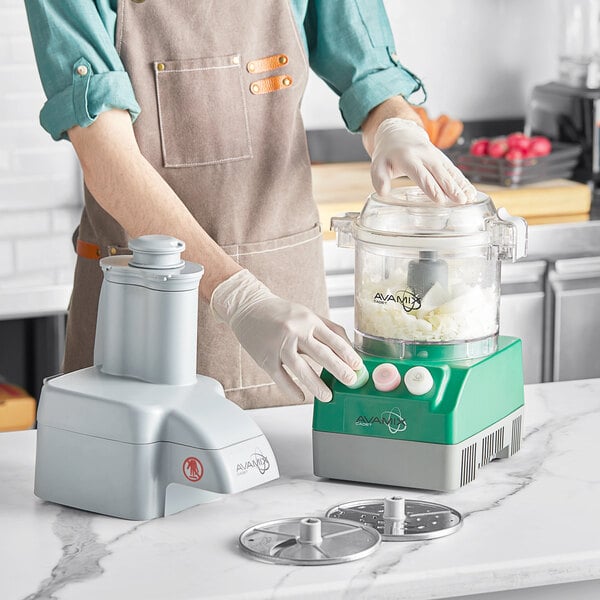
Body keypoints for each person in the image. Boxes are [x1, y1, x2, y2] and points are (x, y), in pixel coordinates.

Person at [24, 0, 476, 409]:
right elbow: (107, 156)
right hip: (140, 316)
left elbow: (370, 71)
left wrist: (396, 125)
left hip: (290, 310)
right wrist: (239, 297)